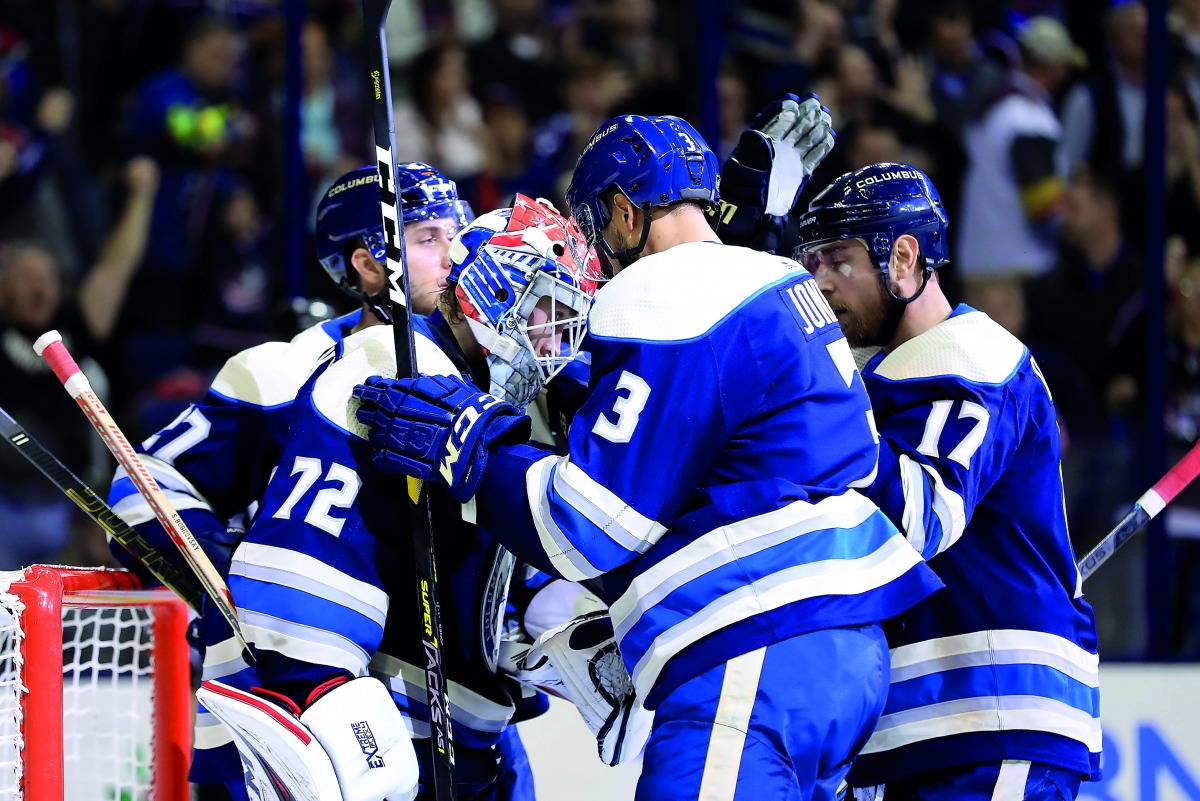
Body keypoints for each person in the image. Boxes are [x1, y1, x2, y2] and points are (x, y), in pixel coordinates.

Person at [351, 114, 943, 800]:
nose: (595, 267)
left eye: (598, 232)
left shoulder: (657, 288)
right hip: (848, 653)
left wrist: (472, 445)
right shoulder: (789, 283)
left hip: (755, 641)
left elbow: (586, 525)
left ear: (626, 213)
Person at [105, 161, 468, 799]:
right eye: (428, 237)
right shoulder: (282, 372)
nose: (455, 254)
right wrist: (217, 569)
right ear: (367, 261)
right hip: (286, 718)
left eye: (456, 231)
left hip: (443, 710)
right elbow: (146, 480)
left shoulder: (485, 363)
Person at [223, 196, 601, 800]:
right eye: (547, 314)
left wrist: (562, 625)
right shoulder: (393, 363)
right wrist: (315, 687)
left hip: (472, 735)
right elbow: (306, 549)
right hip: (392, 725)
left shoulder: (506, 400)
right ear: (497, 291)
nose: (556, 341)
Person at [793, 162, 1101, 799]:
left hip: (989, 720)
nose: (819, 284)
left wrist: (816, 409)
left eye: (838, 261)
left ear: (904, 257)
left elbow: (922, 516)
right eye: (811, 263)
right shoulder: (872, 376)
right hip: (919, 735)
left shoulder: (974, 358)